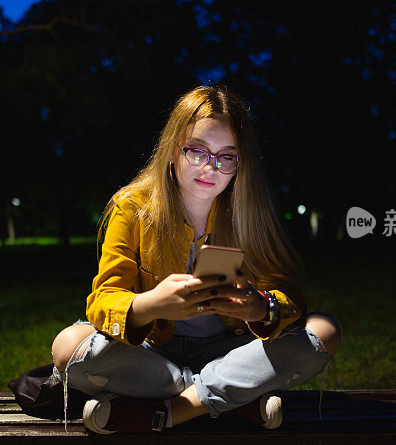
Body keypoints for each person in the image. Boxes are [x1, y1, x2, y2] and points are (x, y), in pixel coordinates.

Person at [50, 86, 342, 434]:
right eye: (197, 151)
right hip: (154, 353)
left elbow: (289, 294)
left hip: (232, 349)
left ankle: (172, 410)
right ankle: (232, 397)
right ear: (174, 149)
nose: (211, 168)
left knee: (324, 330)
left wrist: (261, 308)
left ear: (240, 163)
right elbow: (103, 300)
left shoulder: (249, 211)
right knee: (67, 346)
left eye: (226, 157)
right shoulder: (132, 207)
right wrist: (150, 305)